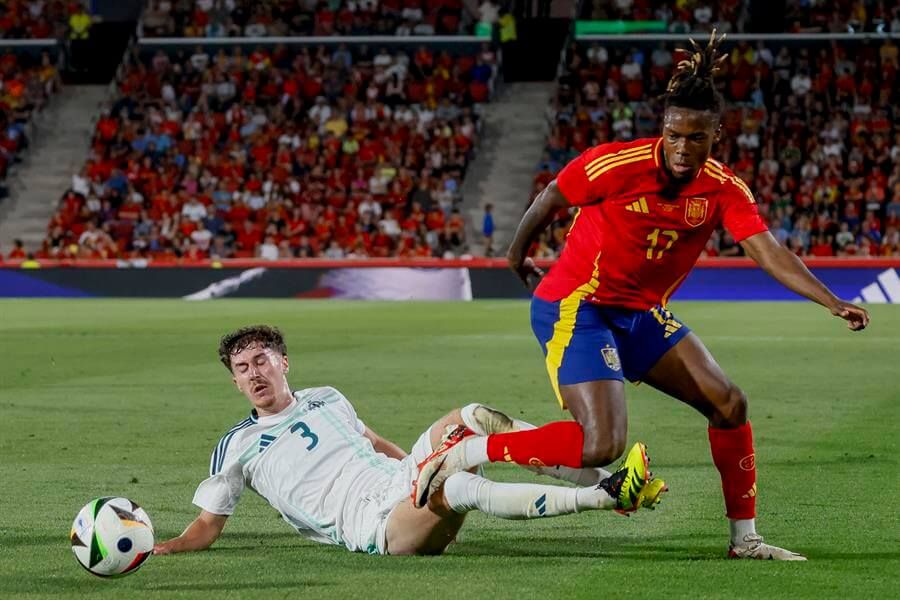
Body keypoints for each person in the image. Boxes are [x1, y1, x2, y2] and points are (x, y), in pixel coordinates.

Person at [418, 31, 869, 561]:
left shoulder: (724, 189)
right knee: (601, 444)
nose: (682, 148)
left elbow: (767, 252)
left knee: (729, 403)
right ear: (663, 128)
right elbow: (548, 199)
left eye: (696, 138)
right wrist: (517, 257)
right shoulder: (616, 164)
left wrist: (830, 300)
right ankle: (467, 451)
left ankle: (744, 540)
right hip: (577, 304)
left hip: (639, 312)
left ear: (715, 135)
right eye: (675, 134)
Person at [152, 326, 663, 558]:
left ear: (283, 362)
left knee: (472, 417)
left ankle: (605, 480)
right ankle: (603, 496)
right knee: (455, 484)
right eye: (242, 369)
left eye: (261, 360)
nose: (254, 373)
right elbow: (207, 526)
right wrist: (159, 548)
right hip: (372, 524)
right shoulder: (236, 446)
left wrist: (417, 465)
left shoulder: (326, 397)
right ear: (235, 383)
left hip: (395, 480)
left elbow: (376, 442)